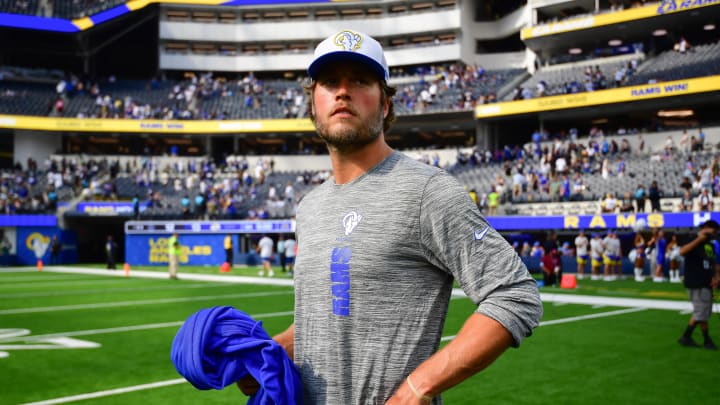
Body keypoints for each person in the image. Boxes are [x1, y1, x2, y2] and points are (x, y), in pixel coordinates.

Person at [237, 29, 543, 404]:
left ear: (385, 105)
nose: (343, 91)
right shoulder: (309, 207)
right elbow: (329, 316)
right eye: (330, 82)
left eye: (361, 80)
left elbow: (514, 294)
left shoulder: (427, 191)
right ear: (313, 104)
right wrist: (274, 353)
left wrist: (419, 387)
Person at [677, 220, 719, 350]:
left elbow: (714, 262)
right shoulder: (692, 238)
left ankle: (687, 337)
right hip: (696, 282)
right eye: (713, 231)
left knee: (702, 311)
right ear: (706, 228)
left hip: (706, 281)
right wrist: (698, 239)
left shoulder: (710, 245)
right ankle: (705, 339)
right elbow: (682, 251)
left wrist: (716, 276)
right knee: (701, 311)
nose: (714, 234)